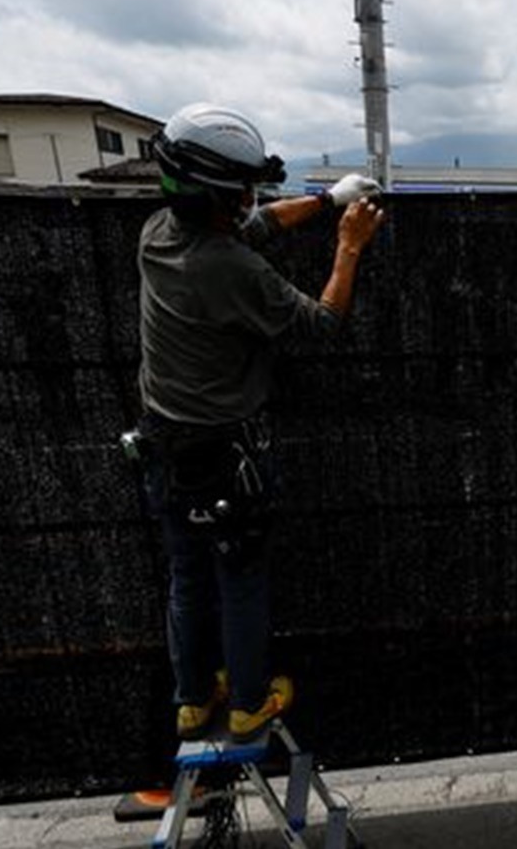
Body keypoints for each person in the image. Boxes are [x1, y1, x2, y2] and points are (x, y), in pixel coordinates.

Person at [135, 102, 384, 742]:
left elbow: (257, 226)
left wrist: (327, 199)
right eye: (239, 190)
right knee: (239, 575)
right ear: (214, 197)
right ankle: (248, 701)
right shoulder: (229, 269)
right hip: (224, 451)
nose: (250, 199)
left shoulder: (159, 232)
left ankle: (193, 699)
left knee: (187, 576)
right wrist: (348, 245)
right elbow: (322, 322)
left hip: (164, 441)